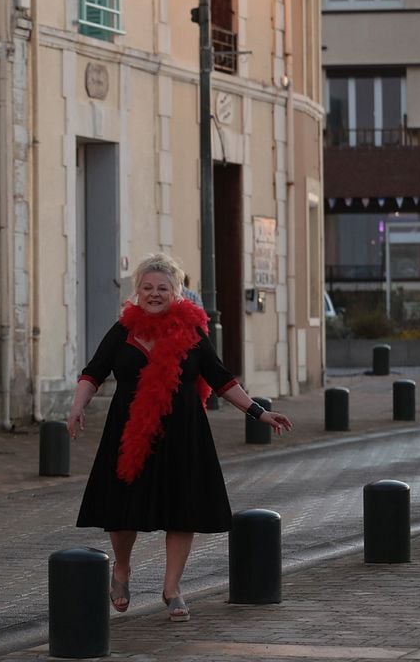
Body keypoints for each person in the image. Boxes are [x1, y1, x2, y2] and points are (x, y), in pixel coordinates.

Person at [66, 253, 291, 622]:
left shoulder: (193, 333)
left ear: (177, 293)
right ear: (137, 292)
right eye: (147, 288)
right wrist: (77, 408)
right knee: (122, 512)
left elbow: (222, 379)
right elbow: (94, 372)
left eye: (163, 288)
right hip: (129, 432)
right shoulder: (123, 330)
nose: (154, 294)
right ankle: (121, 570)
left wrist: (259, 412)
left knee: (181, 511)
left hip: (183, 432)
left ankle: (172, 588)